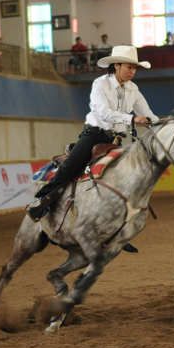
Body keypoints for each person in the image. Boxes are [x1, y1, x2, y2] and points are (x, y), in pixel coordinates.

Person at [28, 45, 159, 221]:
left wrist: (164, 123)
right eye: (129, 67)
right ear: (117, 66)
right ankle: (41, 200)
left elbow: (148, 113)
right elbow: (103, 112)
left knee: (128, 177)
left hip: (116, 141)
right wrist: (132, 119)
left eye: (135, 68)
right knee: (70, 167)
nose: (133, 71)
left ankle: (116, 221)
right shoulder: (100, 84)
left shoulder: (133, 89)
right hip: (94, 135)